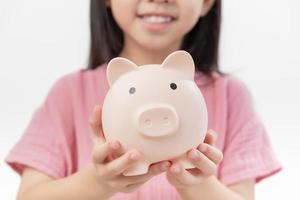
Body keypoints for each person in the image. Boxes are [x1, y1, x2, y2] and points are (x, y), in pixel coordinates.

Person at [5, 0, 281, 199]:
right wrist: (100, 182)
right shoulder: (68, 93)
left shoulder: (231, 97)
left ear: (208, 2)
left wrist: (194, 184)